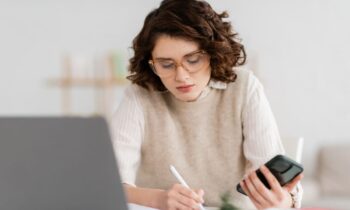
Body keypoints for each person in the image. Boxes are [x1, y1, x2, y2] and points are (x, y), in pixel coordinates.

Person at [111, 0, 303, 209]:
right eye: (166, 64)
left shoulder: (244, 87)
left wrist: (285, 202)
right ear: (152, 63)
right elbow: (109, 183)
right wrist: (157, 199)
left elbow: (272, 179)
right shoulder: (139, 96)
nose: (181, 76)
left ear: (212, 54)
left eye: (192, 60)